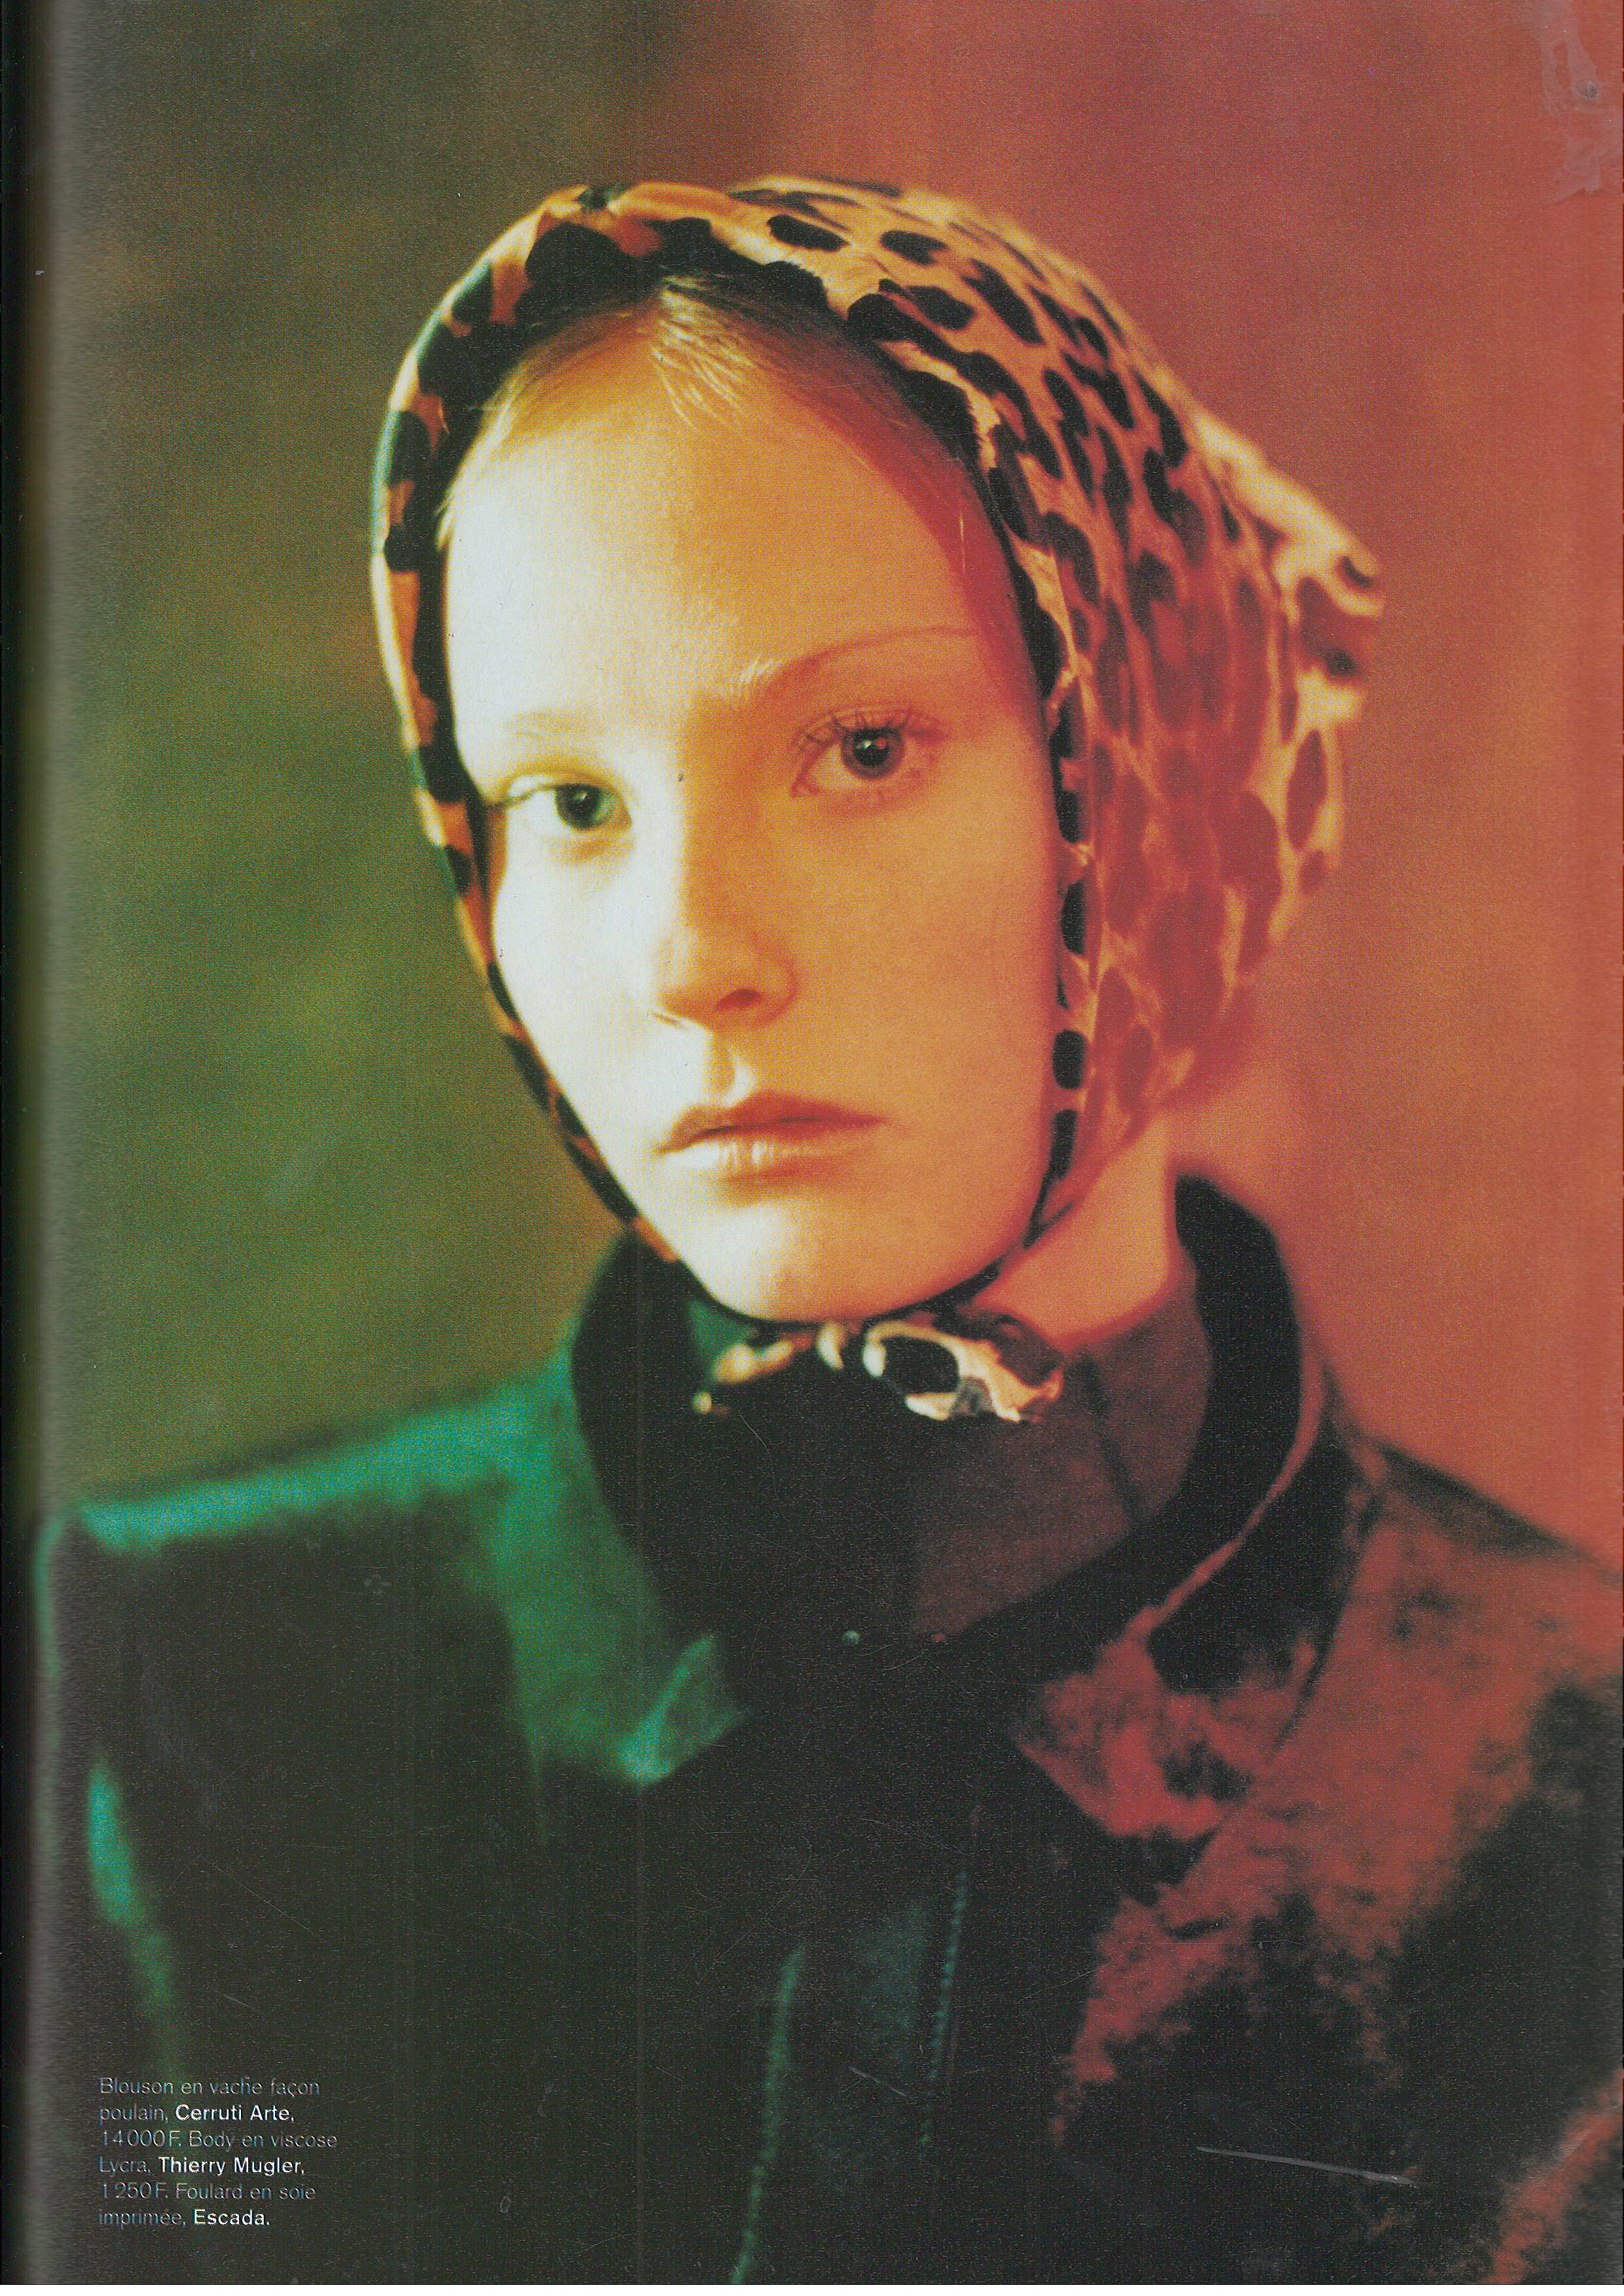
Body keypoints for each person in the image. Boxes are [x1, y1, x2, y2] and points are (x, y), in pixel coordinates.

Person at [31, 177, 1619, 2284]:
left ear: (1159, 776)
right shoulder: (159, 1691)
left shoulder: (1577, 1791)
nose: (690, 950)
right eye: (570, 802)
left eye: (861, 749)